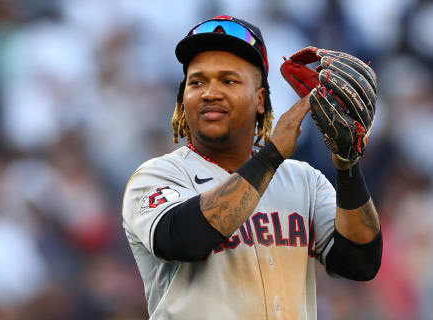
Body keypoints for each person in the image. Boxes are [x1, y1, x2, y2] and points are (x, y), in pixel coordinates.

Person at [122, 15, 382, 320]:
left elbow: (360, 262)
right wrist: (270, 156)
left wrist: (348, 166)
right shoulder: (157, 176)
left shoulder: (304, 181)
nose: (210, 92)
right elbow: (181, 239)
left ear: (260, 99)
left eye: (228, 80)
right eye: (197, 82)